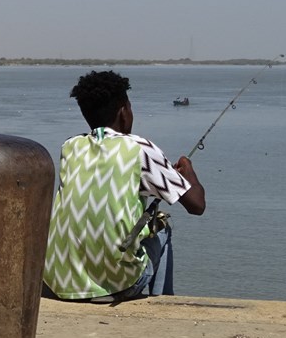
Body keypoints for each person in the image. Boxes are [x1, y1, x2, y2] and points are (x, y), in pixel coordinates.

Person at [43, 70, 205, 302]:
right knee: (163, 230)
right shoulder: (139, 148)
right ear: (123, 111)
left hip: (59, 281)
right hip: (118, 284)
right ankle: (165, 303)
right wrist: (189, 173)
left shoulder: (70, 147)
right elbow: (197, 205)